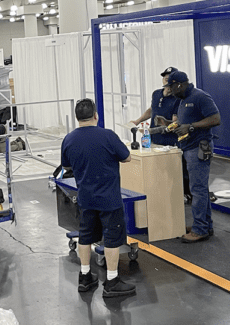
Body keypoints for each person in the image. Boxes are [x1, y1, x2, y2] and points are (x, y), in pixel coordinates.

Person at [61, 99, 136, 298]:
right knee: (112, 239)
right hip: (109, 199)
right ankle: (111, 281)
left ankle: (85, 277)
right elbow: (127, 157)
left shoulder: (68, 139)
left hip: (85, 198)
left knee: (85, 236)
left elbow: (66, 165)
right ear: (96, 115)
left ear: (77, 118)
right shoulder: (108, 136)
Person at [167, 70, 221, 243]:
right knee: (200, 189)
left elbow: (215, 118)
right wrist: (170, 125)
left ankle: (199, 229)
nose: (169, 91)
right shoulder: (183, 100)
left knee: (197, 190)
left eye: (171, 87)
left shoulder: (200, 97)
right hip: (190, 148)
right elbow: (185, 124)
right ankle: (205, 225)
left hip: (198, 147)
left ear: (179, 84)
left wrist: (191, 127)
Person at [130, 66, 191, 202]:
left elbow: (175, 122)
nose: (166, 81)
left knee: (174, 170)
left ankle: (181, 195)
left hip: (170, 142)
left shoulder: (178, 98)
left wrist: (164, 123)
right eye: (165, 78)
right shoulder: (156, 94)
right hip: (153, 139)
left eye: (169, 79)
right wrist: (138, 121)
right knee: (156, 168)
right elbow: (152, 110)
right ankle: (158, 194)